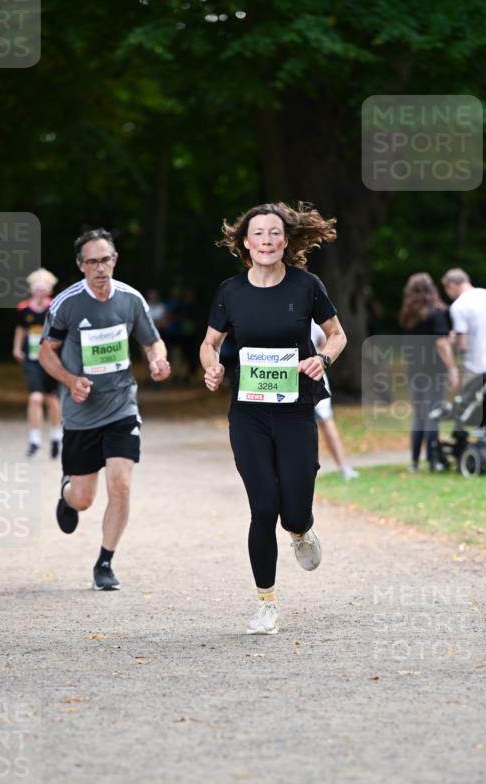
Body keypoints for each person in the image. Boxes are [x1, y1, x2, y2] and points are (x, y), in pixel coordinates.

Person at [200, 201, 346, 636]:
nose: (266, 240)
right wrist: (212, 366)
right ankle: (266, 604)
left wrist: (322, 358)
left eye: (274, 233)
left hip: (296, 411)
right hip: (249, 413)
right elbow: (210, 343)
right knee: (263, 506)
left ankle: (301, 531)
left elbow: (337, 335)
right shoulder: (230, 291)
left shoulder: (306, 285)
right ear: (245, 243)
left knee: (294, 511)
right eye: (258, 233)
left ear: (285, 241)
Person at [39, 228, 171, 591]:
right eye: (93, 262)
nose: (100, 268)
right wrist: (70, 380)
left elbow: (152, 341)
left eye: (106, 260)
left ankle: (105, 562)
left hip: (121, 406)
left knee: (121, 485)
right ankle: (67, 494)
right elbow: (46, 353)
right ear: (81, 265)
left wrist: (157, 360)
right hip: (81, 413)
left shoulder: (130, 299)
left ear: (115, 260)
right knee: (83, 499)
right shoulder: (66, 303)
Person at [400, 272, 459, 472]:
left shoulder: (408, 314)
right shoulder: (437, 312)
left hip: (414, 370)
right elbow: (441, 343)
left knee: (419, 416)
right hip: (435, 371)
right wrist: (452, 368)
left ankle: (415, 461)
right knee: (433, 414)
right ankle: (435, 461)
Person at [13, 268, 62, 458]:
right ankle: (34, 440)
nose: (40, 290)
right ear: (31, 288)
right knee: (35, 398)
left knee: (52, 400)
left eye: (44, 287)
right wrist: (17, 348)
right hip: (32, 358)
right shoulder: (24, 308)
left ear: (50, 289)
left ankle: (56, 436)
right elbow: (21, 329)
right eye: (37, 287)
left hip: (51, 359)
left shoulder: (55, 307)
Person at [311, 320, 359, 481]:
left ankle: (343, 467)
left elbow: (327, 340)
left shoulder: (313, 319)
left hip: (313, 374)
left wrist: (318, 359)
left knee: (326, 422)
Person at [441, 268, 486, 375]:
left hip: (476, 369)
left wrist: (452, 340)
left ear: (451, 286)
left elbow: (463, 345)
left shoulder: (458, 305)